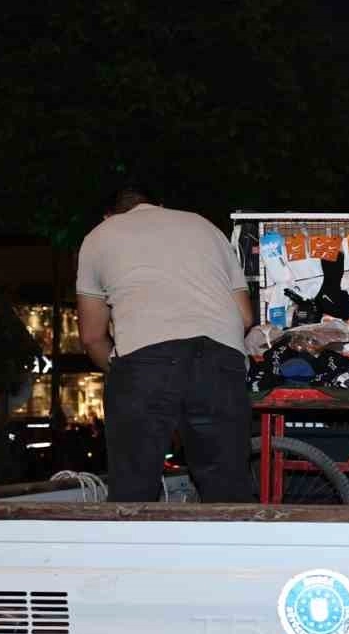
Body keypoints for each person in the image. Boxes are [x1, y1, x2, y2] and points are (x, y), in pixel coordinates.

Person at [75, 187, 256, 503]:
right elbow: (244, 317)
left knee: (133, 490)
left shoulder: (98, 237)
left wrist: (125, 375)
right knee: (227, 490)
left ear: (108, 216)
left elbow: (92, 337)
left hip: (145, 361)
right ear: (159, 206)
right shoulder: (205, 227)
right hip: (219, 359)